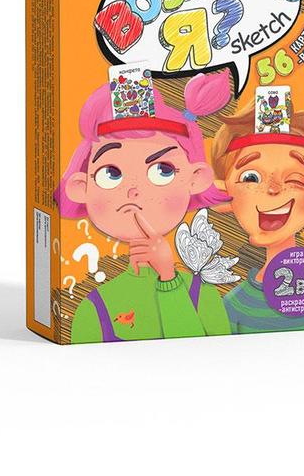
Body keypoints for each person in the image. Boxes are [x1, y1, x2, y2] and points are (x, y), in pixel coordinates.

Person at [56, 70, 233, 343]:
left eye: (163, 170)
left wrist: (168, 278)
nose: (134, 190)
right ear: (82, 187)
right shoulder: (94, 309)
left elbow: (206, 357)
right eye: (111, 173)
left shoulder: (204, 296)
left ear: (196, 178)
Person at [211, 101, 304, 333]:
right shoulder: (233, 307)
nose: (273, 189)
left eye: (295, 179)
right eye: (251, 178)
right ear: (221, 197)